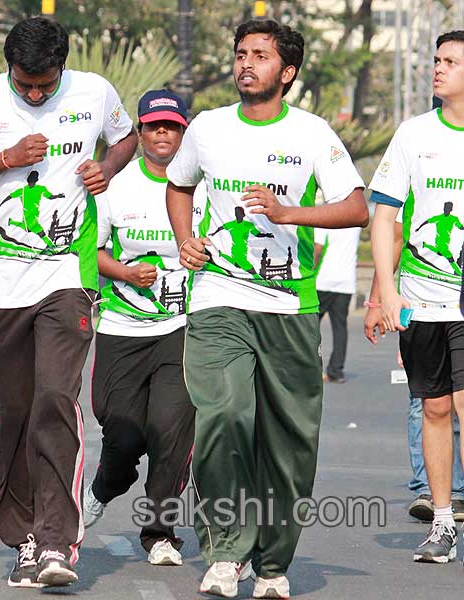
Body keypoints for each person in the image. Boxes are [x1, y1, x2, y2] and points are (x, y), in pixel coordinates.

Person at [0, 16, 137, 588]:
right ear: (9, 67)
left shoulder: (94, 91)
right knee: (16, 413)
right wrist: (5, 160)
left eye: (48, 83)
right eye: (27, 84)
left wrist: (108, 167)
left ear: (63, 67)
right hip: (0, 286)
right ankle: (23, 535)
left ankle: (55, 542)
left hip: (68, 275)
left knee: (55, 399)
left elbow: (126, 136)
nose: (38, 94)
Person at [166, 19, 367, 599]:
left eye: (260, 55)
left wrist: (288, 215)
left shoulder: (311, 133)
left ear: (288, 72)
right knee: (224, 413)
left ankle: (273, 564)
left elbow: (355, 206)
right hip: (217, 297)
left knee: (289, 442)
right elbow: (179, 187)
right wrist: (185, 239)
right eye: (240, 53)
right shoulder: (206, 128)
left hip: (289, 305)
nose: (245, 63)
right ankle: (226, 552)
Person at [81, 89, 199, 568]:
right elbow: (93, 252)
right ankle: (105, 486)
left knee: (172, 434)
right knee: (124, 436)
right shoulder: (115, 186)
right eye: (153, 127)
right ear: (141, 132)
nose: (163, 134)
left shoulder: (204, 188)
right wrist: (126, 274)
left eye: (171, 126)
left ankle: (160, 532)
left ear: (184, 132)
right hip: (120, 328)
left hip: (181, 327)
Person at [370, 30, 464, 565]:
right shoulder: (413, 133)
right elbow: (384, 214)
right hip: (423, 298)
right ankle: (444, 524)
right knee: (433, 406)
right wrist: (385, 291)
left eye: (450, 62)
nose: (438, 68)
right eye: (436, 60)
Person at [364, 217, 464, 522]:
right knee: (428, 405)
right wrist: (378, 300)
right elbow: (394, 236)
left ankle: (454, 491)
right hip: (421, 304)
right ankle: (429, 490)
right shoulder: (414, 176)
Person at [314, 224, 361, 383]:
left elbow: (317, 250)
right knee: (340, 327)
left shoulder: (325, 219)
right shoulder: (354, 224)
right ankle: (336, 371)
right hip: (346, 282)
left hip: (323, 280)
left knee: (310, 325)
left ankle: (309, 368)